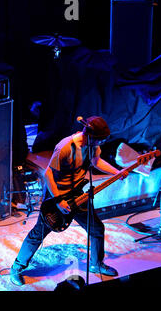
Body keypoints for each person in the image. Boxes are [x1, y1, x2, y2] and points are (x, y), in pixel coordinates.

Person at [10, 116, 130, 286]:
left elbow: (96, 161)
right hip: (57, 195)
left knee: (96, 228)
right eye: (99, 140)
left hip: (78, 194)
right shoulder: (65, 147)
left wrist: (116, 172)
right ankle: (16, 268)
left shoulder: (93, 145)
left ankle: (96, 264)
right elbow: (49, 175)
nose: (100, 143)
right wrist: (58, 200)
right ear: (88, 135)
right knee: (39, 233)